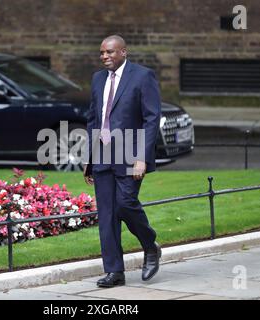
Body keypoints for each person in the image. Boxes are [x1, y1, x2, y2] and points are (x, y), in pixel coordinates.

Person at [83, 35, 162, 288]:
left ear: (123, 52)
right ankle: (114, 271)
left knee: (126, 204)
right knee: (106, 215)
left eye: (109, 52)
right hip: (103, 156)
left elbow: (152, 119)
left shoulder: (142, 76)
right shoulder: (97, 79)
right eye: (102, 53)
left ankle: (150, 245)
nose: (105, 56)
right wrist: (89, 159)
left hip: (130, 154)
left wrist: (141, 158)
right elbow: (93, 119)